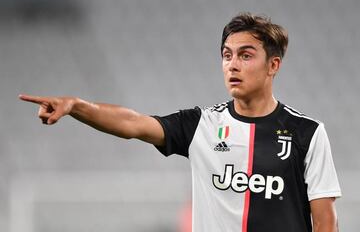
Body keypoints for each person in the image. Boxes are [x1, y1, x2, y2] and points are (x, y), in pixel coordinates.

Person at [19, 12, 341, 232]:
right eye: (227, 55)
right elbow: (133, 124)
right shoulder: (201, 124)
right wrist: (77, 106)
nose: (233, 65)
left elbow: (325, 222)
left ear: (273, 65)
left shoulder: (308, 133)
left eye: (245, 55)